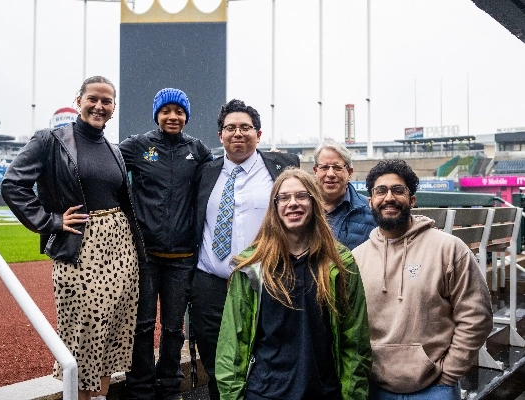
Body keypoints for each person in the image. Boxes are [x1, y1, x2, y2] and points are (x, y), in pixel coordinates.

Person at [1, 76, 145, 400]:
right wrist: (50, 221)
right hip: (81, 249)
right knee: (83, 337)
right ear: (78, 101)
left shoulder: (115, 150)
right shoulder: (49, 140)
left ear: (113, 108)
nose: (99, 105)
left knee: (113, 335)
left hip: (122, 252)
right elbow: (13, 184)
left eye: (106, 101)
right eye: (92, 98)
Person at [215, 167, 372, 400]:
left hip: (323, 392)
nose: (293, 203)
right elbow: (232, 344)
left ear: (314, 203)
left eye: (301, 196)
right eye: (284, 198)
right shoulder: (252, 266)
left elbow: (355, 341)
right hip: (264, 393)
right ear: (275, 207)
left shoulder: (339, 263)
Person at [351, 159, 493, 400]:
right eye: (381, 191)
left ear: (412, 200)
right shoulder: (357, 258)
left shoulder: (448, 249)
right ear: (371, 201)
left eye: (398, 190)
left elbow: (476, 315)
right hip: (374, 387)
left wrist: (449, 373)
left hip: (435, 387)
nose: (389, 198)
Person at [190, 99, 300, 400]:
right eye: (230, 128)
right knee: (216, 363)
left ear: (259, 134)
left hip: (265, 279)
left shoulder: (281, 169)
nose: (237, 133)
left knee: (266, 357)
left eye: (245, 127)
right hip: (210, 284)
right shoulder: (205, 173)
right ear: (220, 135)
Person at [119, 88, 213, 400]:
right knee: (143, 325)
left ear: (186, 116)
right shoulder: (137, 146)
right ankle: (140, 385)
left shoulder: (197, 150)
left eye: (179, 112)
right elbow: (108, 172)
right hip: (145, 255)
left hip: (183, 256)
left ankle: (170, 385)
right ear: (157, 115)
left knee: (174, 328)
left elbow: (216, 182)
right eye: (166, 111)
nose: (173, 117)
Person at [313, 139, 376, 250]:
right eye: (324, 167)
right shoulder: (302, 209)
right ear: (315, 171)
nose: (330, 174)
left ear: (350, 173)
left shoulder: (372, 210)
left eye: (337, 168)